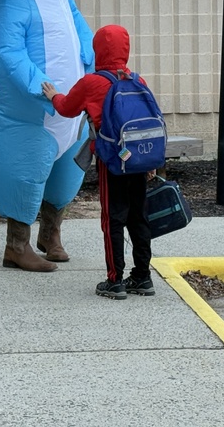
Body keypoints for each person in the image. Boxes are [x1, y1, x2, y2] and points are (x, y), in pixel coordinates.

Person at [42, 24, 156, 300]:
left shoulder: (93, 82)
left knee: (112, 219)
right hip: (139, 160)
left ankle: (114, 280)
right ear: (125, 49)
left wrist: (52, 95)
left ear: (98, 50)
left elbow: (67, 108)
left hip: (112, 161)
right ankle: (142, 277)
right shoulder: (137, 81)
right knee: (138, 217)